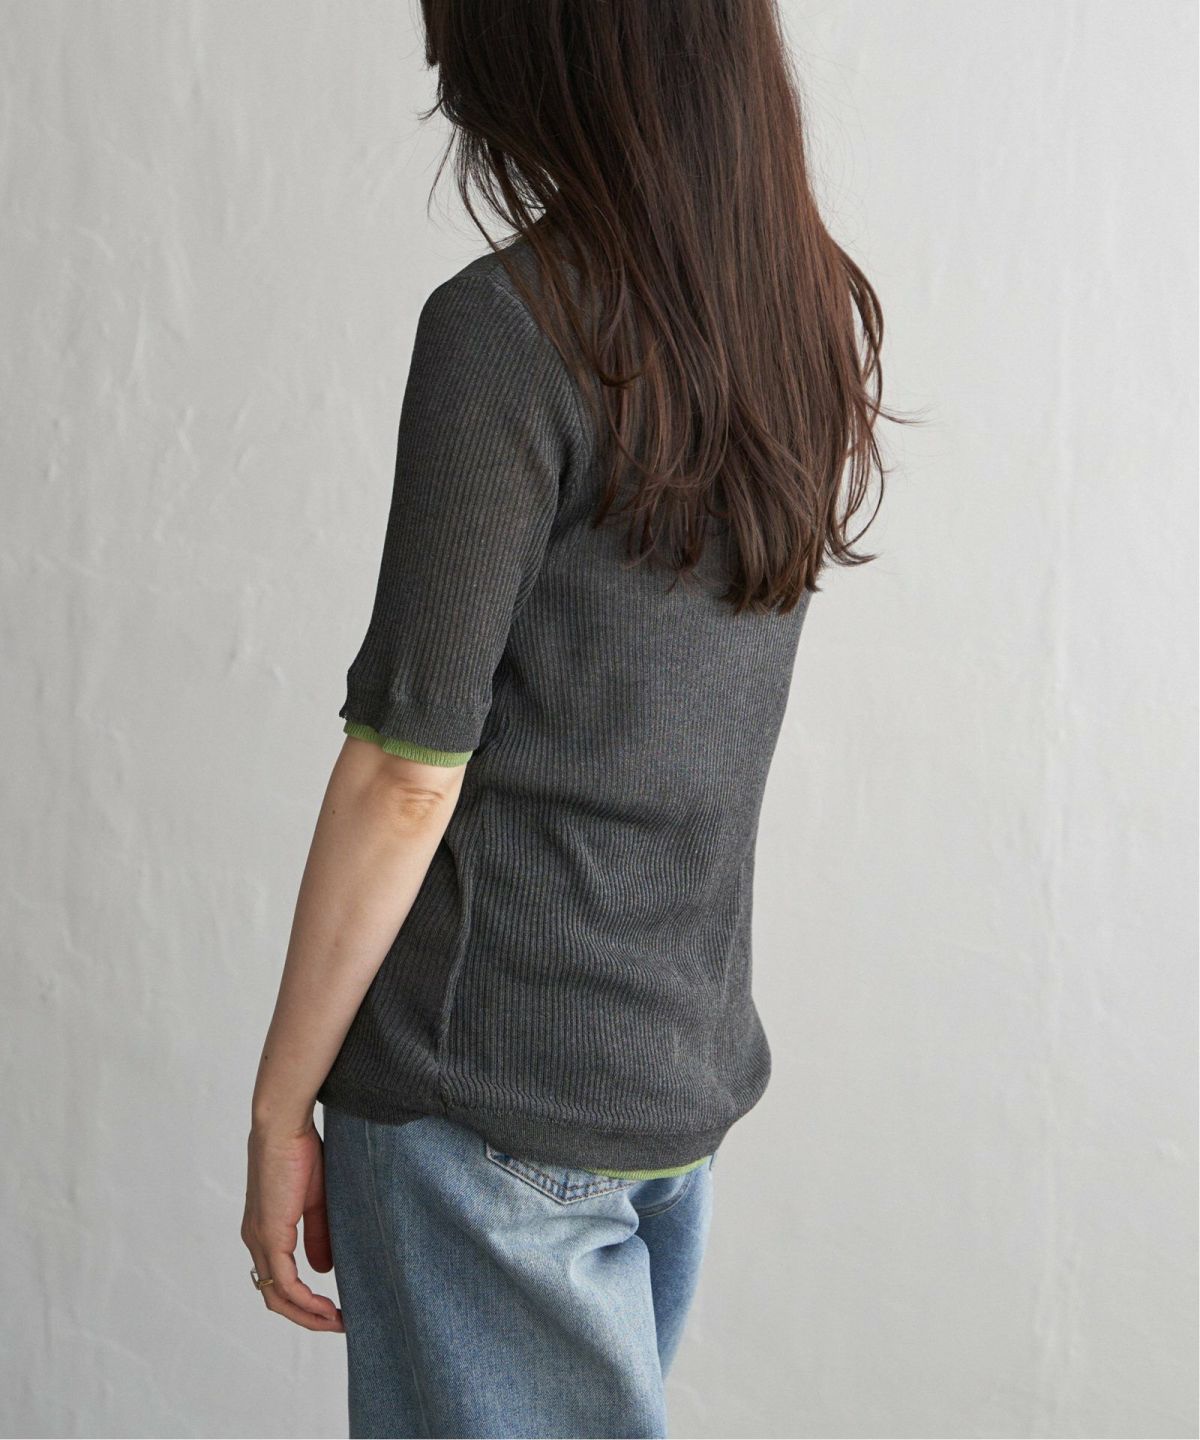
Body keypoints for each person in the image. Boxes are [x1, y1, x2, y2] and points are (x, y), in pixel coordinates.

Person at [241, 2, 902, 1435]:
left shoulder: (507, 329)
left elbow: (407, 771)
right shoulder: (798, 317)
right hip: (671, 1084)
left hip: (480, 1096)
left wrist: (278, 1106)